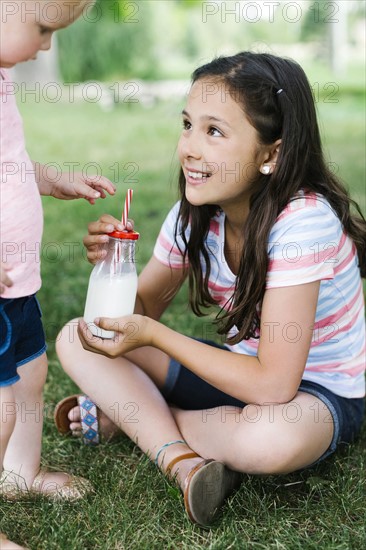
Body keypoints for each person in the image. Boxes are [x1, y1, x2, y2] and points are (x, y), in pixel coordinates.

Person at [55, 51, 366, 527]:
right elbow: (127, 320)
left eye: (214, 131)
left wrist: (153, 339)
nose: (189, 148)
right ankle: (183, 461)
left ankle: (138, 420)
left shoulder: (304, 222)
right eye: (187, 124)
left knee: (269, 440)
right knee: (77, 337)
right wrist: (112, 267)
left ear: (271, 154)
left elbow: (275, 386)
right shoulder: (193, 215)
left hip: (319, 395)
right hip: (238, 377)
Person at [0, 1, 116, 547]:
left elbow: (11, 162)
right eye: (42, 28)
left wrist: (51, 179)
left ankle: (19, 474)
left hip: (16, 285)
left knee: (31, 373)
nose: (46, 45)